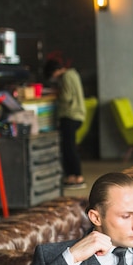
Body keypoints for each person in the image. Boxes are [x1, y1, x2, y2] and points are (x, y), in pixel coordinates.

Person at [44, 57, 86, 188]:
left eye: (52, 75)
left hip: (70, 115)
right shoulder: (73, 73)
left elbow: (66, 97)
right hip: (78, 115)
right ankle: (73, 176)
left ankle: (77, 177)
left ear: (55, 71)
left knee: (69, 148)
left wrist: (56, 94)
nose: (54, 78)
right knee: (70, 147)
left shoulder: (66, 77)